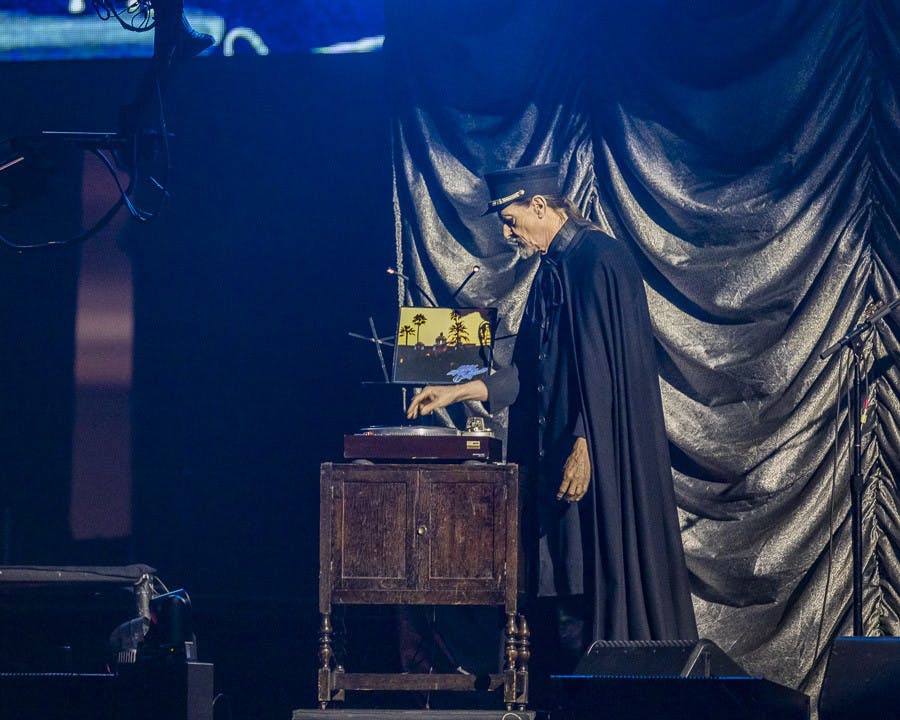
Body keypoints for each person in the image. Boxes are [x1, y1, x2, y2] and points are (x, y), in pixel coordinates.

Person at [406, 163, 697, 678]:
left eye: (511, 221)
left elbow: (613, 374)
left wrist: (587, 443)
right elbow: (529, 372)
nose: (506, 233)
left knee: (592, 595)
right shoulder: (548, 273)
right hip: (554, 467)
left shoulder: (600, 260)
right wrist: (459, 389)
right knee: (562, 597)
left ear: (541, 205)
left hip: (597, 470)